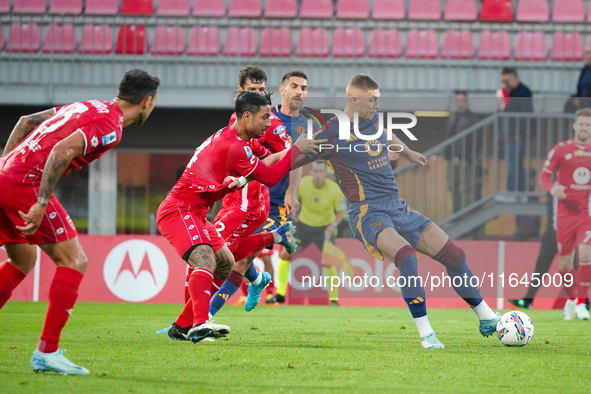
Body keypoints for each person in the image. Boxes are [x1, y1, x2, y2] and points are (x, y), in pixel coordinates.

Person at [295, 74, 500, 348]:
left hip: (397, 205)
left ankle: (486, 316)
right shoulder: (333, 131)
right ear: (354, 100)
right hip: (368, 212)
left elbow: (386, 136)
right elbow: (294, 158)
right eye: (373, 99)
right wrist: (270, 174)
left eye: (378, 98)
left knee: (455, 256)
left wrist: (407, 151)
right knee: (407, 257)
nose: (377, 104)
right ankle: (427, 334)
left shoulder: (372, 120)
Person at [0, 69, 160, 375]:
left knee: (22, 258)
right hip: (26, 185)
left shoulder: (85, 105)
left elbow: (25, 122)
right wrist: (41, 201)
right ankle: (47, 352)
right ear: (146, 102)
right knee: (75, 261)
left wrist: (6, 166)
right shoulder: (110, 125)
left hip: (7, 176)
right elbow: (62, 150)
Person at [156, 91, 324, 343]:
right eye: (265, 117)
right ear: (247, 117)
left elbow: (268, 160)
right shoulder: (234, 146)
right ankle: (199, 324)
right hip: (179, 209)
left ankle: (180, 327)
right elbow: (268, 177)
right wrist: (296, 150)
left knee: (225, 261)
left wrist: (294, 151)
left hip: (198, 212)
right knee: (205, 260)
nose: (269, 123)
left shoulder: (240, 139)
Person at [209, 71, 310, 314]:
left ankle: (203, 317)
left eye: (261, 90)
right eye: (252, 90)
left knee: (237, 258)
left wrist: (292, 193)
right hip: (238, 195)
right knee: (226, 254)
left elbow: (294, 157)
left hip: (270, 201)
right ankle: (257, 280)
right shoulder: (239, 117)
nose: (258, 94)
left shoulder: (275, 123)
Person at [538, 107, 591, 321]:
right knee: (565, 265)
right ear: (574, 125)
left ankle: (581, 303)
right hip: (565, 214)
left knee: (586, 255)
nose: (584, 127)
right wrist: (552, 189)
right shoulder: (561, 149)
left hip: (586, 214)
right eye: (581, 124)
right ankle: (571, 299)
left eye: (588, 124)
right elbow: (544, 177)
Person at [294, 160, 346, 306]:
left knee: (329, 262)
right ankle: (279, 295)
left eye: (321, 171)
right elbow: (292, 200)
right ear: (311, 172)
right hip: (304, 226)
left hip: (325, 229)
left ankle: (334, 300)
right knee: (286, 254)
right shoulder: (303, 183)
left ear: (325, 173)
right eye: (315, 171)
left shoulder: (334, 189)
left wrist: (333, 225)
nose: (317, 175)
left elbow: (341, 214)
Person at [444, 91, 481, 213]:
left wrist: (471, 157)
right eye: (457, 102)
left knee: (466, 188)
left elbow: (477, 139)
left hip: (466, 158)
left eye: (462, 101)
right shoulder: (453, 117)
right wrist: (447, 155)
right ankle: (456, 214)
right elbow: (449, 136)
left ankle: (466, 215)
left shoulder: (473, 118)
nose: (460, 104)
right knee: (453, 187)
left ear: (467, 102)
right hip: (452, 158)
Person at [500, 67, 533, 194]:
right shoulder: (510, 93)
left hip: (518, 135)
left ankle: (512, 191)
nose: (505, 84)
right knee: (515, 163)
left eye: (507, 81)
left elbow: (526, 114)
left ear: (515, 78)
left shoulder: (523, 92)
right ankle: (517, 191)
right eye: (503, 81)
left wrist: (520, 133)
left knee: (513, 164)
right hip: (511, 133)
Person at [576, 43, 591, 108]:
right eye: (585, 53)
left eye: (588, 52)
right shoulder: (585, 69)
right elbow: (579, 87)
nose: (586, 55)